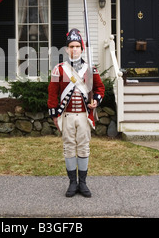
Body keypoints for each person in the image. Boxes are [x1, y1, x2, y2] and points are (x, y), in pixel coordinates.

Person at [47, 28, 105, 198]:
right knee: (69, 148)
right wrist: (55, 116)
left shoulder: (90, 69)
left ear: (82, 48)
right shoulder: (59, 70)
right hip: (67, 116)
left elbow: (100, 88)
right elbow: (52, 95)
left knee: (84, 148)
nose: (74, 49)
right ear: (67, 49)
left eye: (77, 46)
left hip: (84, 116)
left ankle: (83, 183)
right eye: (71, 46)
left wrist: (97, 100)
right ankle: (73, 183)